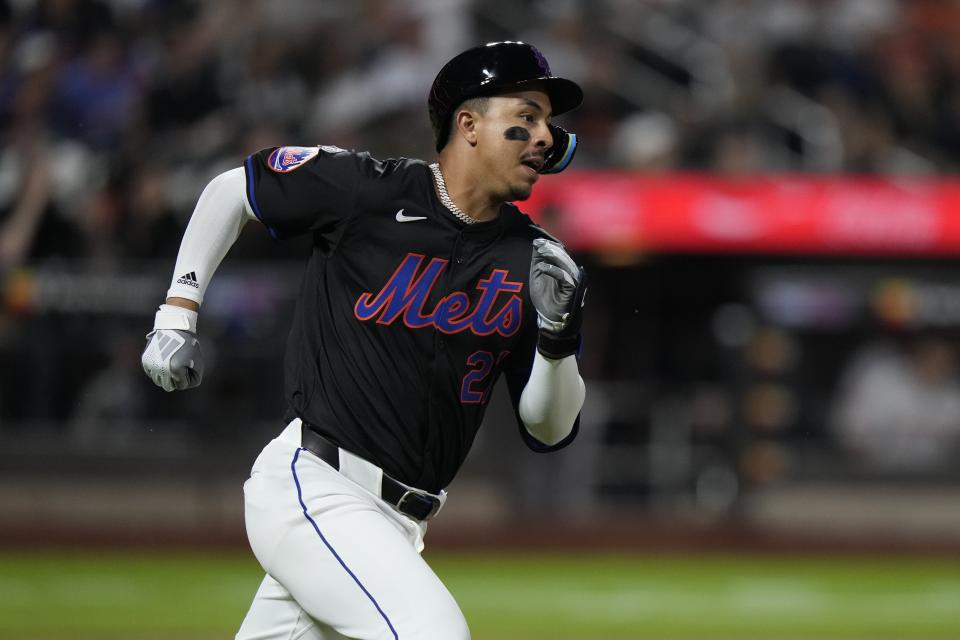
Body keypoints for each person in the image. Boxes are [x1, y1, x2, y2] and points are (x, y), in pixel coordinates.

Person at [141, 41, 587, 640]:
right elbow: (232, 190)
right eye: (526, 117)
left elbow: (547, 428)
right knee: (430, 632)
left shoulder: (531, 256)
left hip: (402, 522)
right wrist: (177, 312)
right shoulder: (370, 191)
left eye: (548, 125)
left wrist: (558, 341)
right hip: (317, 486)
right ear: (468, 124)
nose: (544, 137)